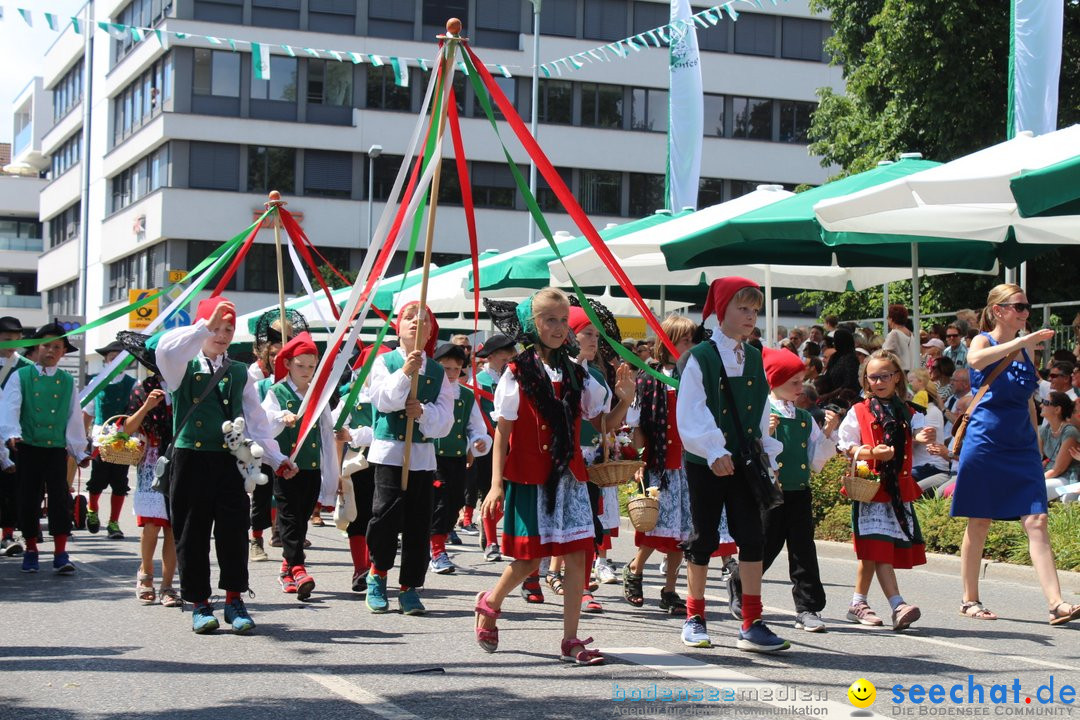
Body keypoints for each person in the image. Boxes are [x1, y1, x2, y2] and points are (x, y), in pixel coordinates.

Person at [474, 288, 608, 665]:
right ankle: (490, 602)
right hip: (532, 476)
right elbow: (503, 432)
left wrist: (626, 397)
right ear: (531, 324)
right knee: (529, 560)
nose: (559, 327)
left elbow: (600, 418)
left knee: (579, 555)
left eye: (564, 320)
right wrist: (496, 483)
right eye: (550, 319)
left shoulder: (576, 371)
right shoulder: (516, 373)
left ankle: (570, 639)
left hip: (570, 478)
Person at [156, 296, 297, 634]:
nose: (221, 334)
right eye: (215, 327)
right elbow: (164, 349)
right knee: (192, 532)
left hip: (231, 460)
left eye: (228, 328)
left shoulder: (238, 372)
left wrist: (277, 459)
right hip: (190, 458)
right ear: (201, 327)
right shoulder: (181, 365)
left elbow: (256, 421)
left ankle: (234, 598)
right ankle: (200, 603)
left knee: (234, 531)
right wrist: (201, 326)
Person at [951, 283, 1080, 625]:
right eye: (1018, 306)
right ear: (999, 310)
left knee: (1037, 519)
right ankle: (969, 599)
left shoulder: (1028, 351)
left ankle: (1056, 603)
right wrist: (1022, 341)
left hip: (1021, 444)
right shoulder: (984, 340)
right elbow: (975, 360)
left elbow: (1028, 403)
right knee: (979, 519)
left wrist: (1037, 449)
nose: (1025, 312)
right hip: (986, 439)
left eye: (1026, 306)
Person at [676, 277, 786, 653]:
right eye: (743, 308)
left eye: (754, 309)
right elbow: (690, 410)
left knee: (753, 537)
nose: (750, 316)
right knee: (703, 538)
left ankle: (752, 622)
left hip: (744, 461)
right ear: (721, 311)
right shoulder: (700, 357)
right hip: (706, 461)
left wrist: (768, 456)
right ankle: (694, 616)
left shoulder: (754, 356)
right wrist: (713, 451)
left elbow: (760, 414)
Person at [364, 302, 455, 616]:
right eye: (409, 318)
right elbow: (383, 401)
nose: (416, 322)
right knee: (384, 517)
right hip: (390, 452)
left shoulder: (439, 372)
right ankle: (377, 573)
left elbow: (445, 419)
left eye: (424, 319)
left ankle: (409, 587)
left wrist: (424, 413)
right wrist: (405, 372)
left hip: (421, 456)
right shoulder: (383, 362)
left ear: (431, 330)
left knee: (419, 523)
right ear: (397, 327)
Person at [837, 350, 928, 630]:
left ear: (897, 377)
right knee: (877, 550)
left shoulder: (909, 411)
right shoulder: (859, 410)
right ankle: (897, 604)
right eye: (872, 377)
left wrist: (925, 440)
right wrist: (871, 452)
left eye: (884, 376)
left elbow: (920, 452)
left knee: (874, 551)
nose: (878, 382)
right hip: (871, 489)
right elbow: (844, 445)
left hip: (897, 490)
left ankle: (858, 603)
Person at [755, 347, 839, 632]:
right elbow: (751, 450)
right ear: (773, 382)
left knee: (803, 550)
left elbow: (815, 460)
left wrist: (827, 433)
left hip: (800, 492)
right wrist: (763, 431)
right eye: (793, 382)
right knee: (765, 545)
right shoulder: (761, 412)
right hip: (771, 493)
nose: (800, 387)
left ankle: (808, 607)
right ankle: (742, 587)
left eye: (801, 381)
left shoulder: (804, 418)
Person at [0, 321, 89, 574]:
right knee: (28, 500)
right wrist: (12, 434)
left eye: (57, 347)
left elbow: (73, 417)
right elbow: (10, 408)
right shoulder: (21, 376)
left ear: (63, 352)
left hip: (55, 449)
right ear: (36, 348)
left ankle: (61, 552)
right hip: (27, 447)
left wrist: (79, 450)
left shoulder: (66, 381)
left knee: (60, 500)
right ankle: (31, 549)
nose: (50, 350)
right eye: (46, 345)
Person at [622, 315, 696, 614]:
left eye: (692, 341)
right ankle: (635, 569)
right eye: (685, 341)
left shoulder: (693, 374)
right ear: (668, 342)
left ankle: (670, 589)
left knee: (682, 533)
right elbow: (637, 424)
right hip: (660, 463)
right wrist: (639, 458)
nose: (690, 346)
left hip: (689, 464)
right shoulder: (649, 377)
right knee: (655, 528)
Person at [261, 332, 339, 601]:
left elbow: (326, 432)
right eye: (300, 365)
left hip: (312, 467)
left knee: (302, 517)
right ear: (288, 364)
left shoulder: (318, 395)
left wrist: (332, 473)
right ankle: (298, 567)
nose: (306, 371)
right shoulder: (277, 392)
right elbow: (264, 423)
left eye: (310, 366)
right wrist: (282, 417)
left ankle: (286, 568)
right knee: (289, 516)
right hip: (286, 466)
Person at [119, 331, 180, 607]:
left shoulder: (184, 384)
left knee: (174, 527)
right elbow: (127, 428)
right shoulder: (143, 388)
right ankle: (145, 573)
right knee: (153, 524)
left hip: (181, 457)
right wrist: (147, 405)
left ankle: (168, 585)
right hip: (153, 459)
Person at [248, 310, 305, 561]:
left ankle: (287, 534)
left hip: (289, 445)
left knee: (291, 494)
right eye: (273, 355)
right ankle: (256, 538)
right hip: (263, 444)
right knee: (262, 493)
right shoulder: (260, 383)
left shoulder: (297, 385)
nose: (277, 358)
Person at [429, 342, 490, 576]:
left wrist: (478, 442)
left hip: (456, 458)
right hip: (432, 457)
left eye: (456, 369)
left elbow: (475, 426)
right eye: (446, 369)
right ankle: (437, 551)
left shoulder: (466, 395)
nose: (452, 374)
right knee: (440, 502)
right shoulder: (429, 392)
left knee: (454, 503)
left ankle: (436, 542)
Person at [338, 343, 388, 593]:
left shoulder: (393, 399)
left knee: (381, 517)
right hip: (359, 466)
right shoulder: (351, 399)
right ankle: (361, 568)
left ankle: (377, 569)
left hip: (387, 462)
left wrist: (357, 434)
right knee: (358, 516)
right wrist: (335, 472)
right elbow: (337, 430)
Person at [82, 340, 138, 539]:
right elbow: (88, 412)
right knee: (97, 480)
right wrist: (81, 438)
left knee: (119, 482)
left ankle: (114, 522)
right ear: (106, 360)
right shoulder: (96, 382)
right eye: (112, 357)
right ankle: (92, 510)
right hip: (100, 439)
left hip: (122, 439)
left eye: (120, 359)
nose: (115, 361)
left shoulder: (133, 384)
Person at [470, 334, 516, 558]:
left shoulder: (514, 378)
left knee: (509, 493)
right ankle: (491, 542)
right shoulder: (477, 381)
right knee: (492, 492)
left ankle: (485, 522)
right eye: (507, 351)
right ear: (495, 355)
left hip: (514, 442)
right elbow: (474, 414)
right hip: (489, 442)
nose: (511, 355)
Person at [0, 316, 34, 556]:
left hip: (13, 436)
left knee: (11, 489)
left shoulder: (26, 368)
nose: (11, 344)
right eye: (5, 339)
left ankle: (8, 535)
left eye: (15, 339)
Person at [1040, 392, 1080, 504]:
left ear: (1057, 409)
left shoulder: (1070, 432)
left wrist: (1036, 479)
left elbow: (1058, 469)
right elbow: (1036, 458)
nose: (1041, 405)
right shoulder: (1044, 430)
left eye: (1046, 403)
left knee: (1039, 488)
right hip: (1049, 474)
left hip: (1066, 477)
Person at [816, 328, 860, 404]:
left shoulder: (851, 359)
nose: (833, 343)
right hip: (829, 395)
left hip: (844, 399)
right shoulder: (835, 356)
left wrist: (828, 395)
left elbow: (849, 383)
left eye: (835, 340)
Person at [882, 305, 919, 373]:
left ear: (892, 319)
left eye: (888, 317)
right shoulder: (911, 334)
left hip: (900, 372)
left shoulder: (894, 333)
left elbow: (886, 354)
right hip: (912, 373)